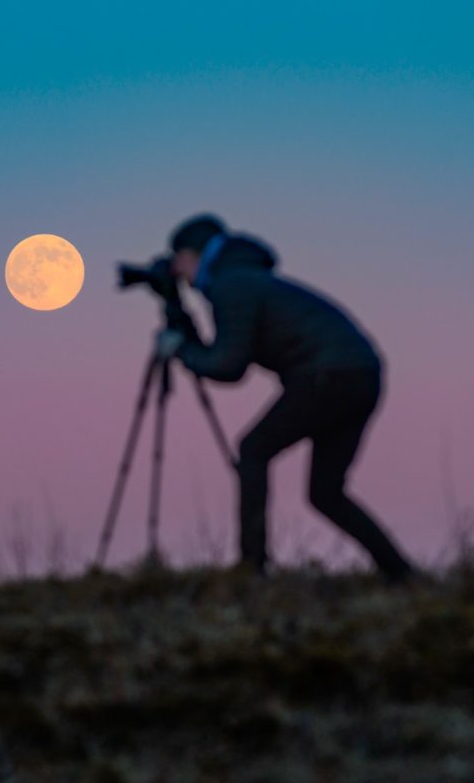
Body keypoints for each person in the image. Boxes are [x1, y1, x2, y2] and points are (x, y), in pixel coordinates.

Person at [157, 213, 415, 583]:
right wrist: (182, 328)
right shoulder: (245, 280)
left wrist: (180, 350)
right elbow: (223, 357)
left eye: (178, 258)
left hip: (328, 374)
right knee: (325, 492)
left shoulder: (232, 286)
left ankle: (252, 568)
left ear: (194, 255)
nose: (176, 270)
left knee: (253, 450)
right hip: (360, 373)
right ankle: (403, 576)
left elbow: (229, 366)